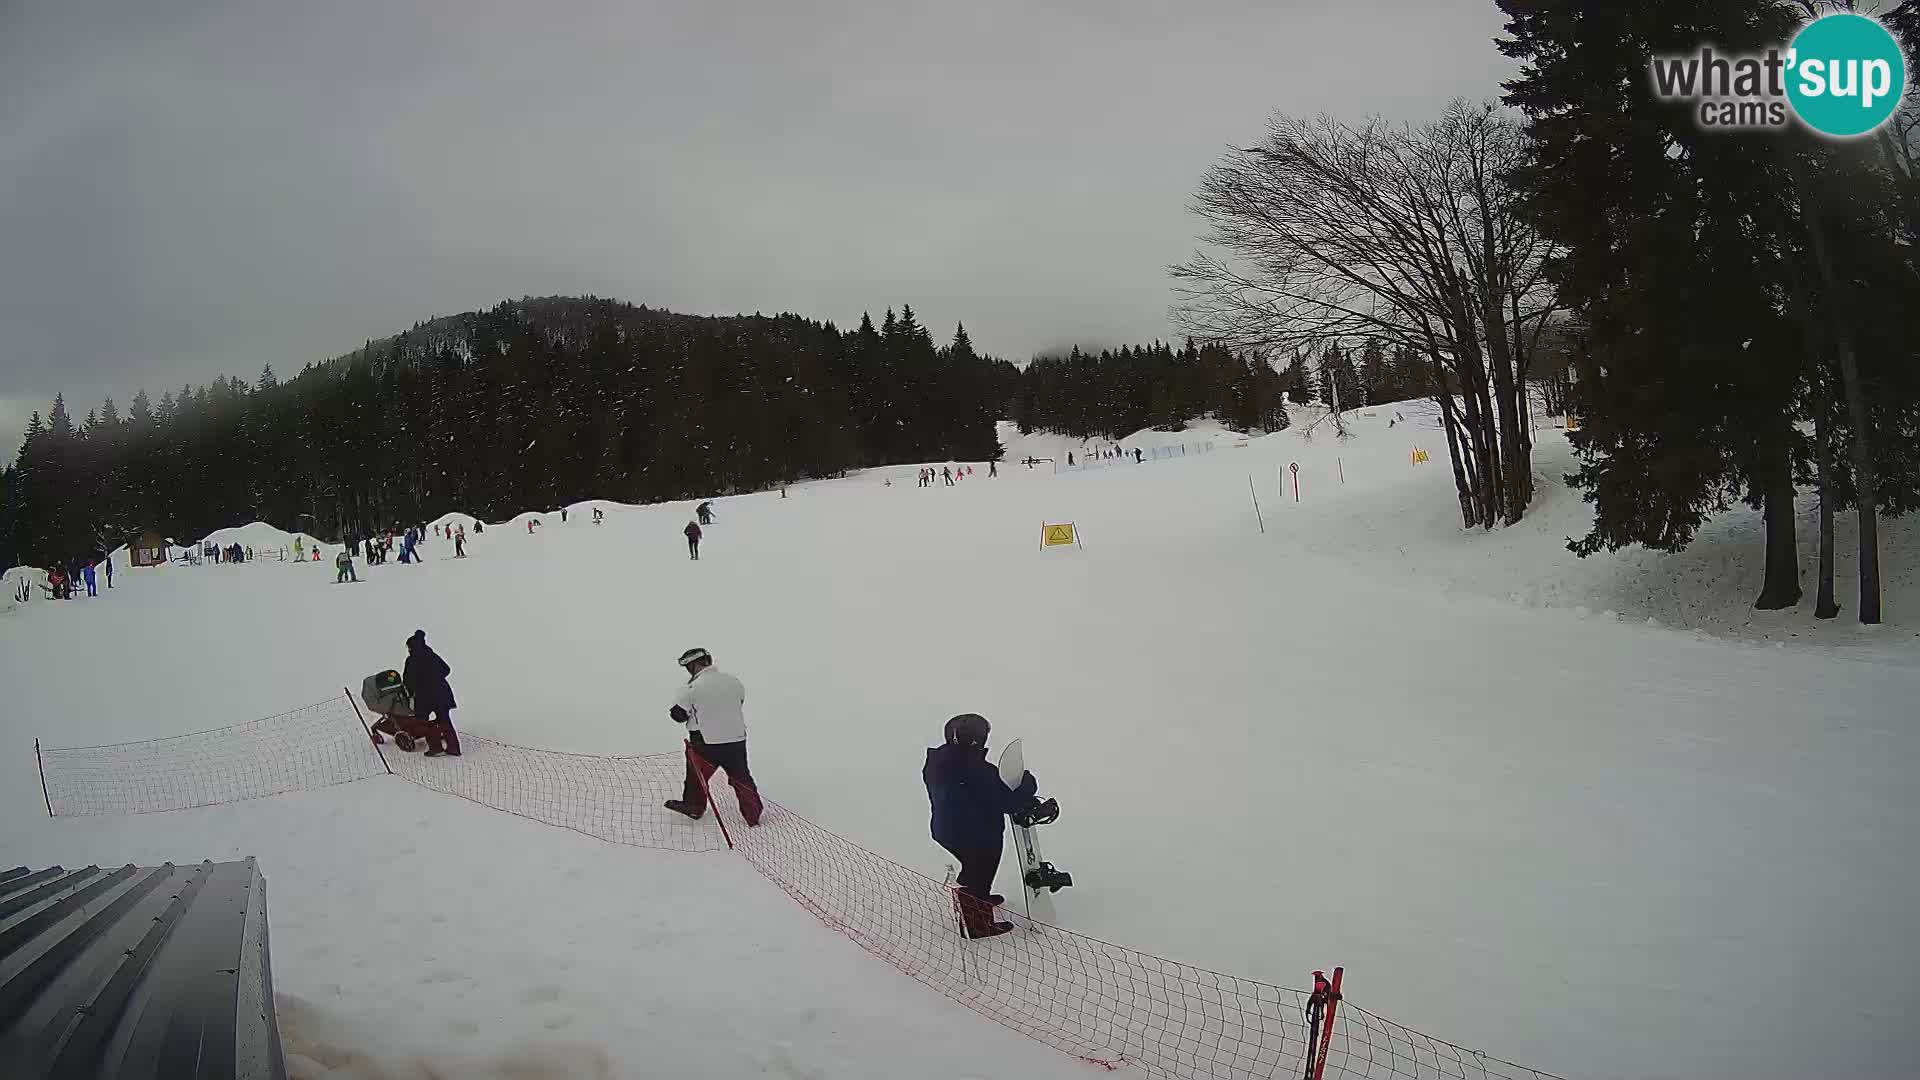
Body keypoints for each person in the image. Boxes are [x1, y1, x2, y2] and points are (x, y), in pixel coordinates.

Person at [924, 713, 1040, 939]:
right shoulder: (977, 771)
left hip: (946, 830)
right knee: (980, 874)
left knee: (973, 869)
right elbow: (1008, 802)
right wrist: (1028, 785)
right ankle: (976, 925)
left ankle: (977, 900)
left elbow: (979, 792)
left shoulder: (937, 761)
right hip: (977, 835)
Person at [664, 647, 762, 826]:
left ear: (693, 666)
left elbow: (678, 715)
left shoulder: (691, 688)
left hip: (704, 743)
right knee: (741, 778)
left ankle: (694, 807)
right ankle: (753, 814)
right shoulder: (734, 682)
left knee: (696, 778)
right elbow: (738, 702)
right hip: (736, 740)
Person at [402, 629, 461, 756]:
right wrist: (435, 678)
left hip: (425, 697)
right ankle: (453, 748)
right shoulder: (431, 655)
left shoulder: (411, 660)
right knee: (445, 721)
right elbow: (446, 669)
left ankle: (435, 747)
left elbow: (407, 681)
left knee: (423, 722)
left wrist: (412, 692)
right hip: (442, 693)